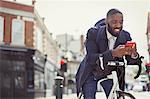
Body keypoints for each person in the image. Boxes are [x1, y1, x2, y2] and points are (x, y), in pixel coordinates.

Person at [76, 8, 140, 99]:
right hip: (91, 71)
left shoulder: (125, 36)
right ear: (106, 22)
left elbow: (130, 60)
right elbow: (91, 58)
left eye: (121, 22)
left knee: (114, 96)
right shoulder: (93, 33)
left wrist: (133, 54)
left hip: (109, 72)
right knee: (89, 96)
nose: (118, 25)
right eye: (114, 22)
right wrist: (113, 53)